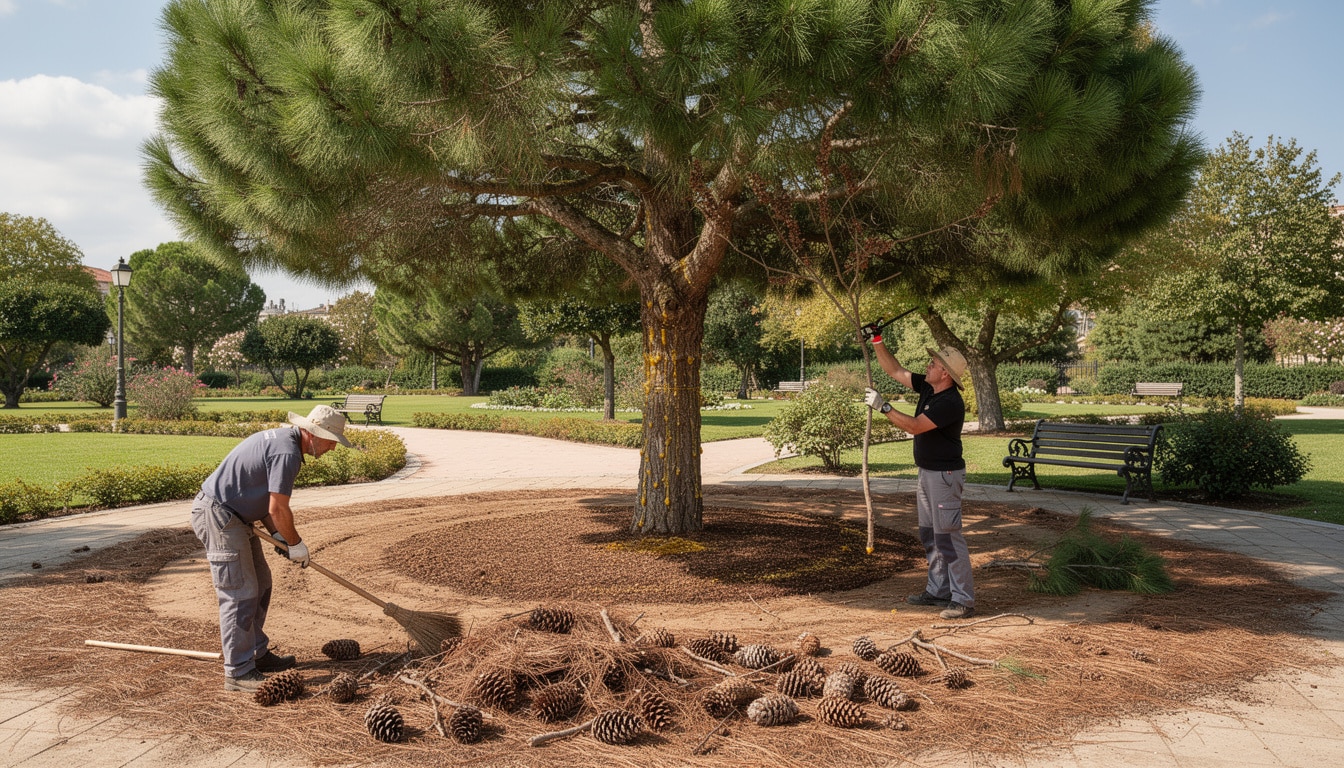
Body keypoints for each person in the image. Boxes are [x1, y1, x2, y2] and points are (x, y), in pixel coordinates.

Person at [190, 404, 351, 691]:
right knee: (239, 594)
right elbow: (278, 508)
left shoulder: (285, 444)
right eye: (331, 441)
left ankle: (256, 652)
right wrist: (295, 543)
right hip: (220, 516)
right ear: (313, 434)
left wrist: (277, 534)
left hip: (237, 517)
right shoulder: (286, 454)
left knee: (262, 583)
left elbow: (265, 499)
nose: (333, 448)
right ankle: (238, 672)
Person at [860, 326, 975, 620]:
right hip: (927, 473)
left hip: (944, 477)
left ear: (946, 373)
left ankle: (962, 600)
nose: (928, 365)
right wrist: (876, 339)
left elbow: (914, 427)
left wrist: (883, 406)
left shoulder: (949, 402)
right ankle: (938, 591)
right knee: (930, 534)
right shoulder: (928, 386)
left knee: (948, 537)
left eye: (934, 364)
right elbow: (894, 370)